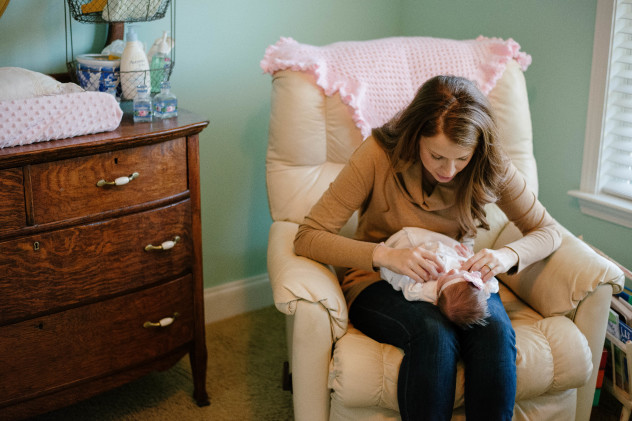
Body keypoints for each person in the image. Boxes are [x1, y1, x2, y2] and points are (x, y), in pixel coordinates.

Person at [294, 75, 561, 421]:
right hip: (378, 282)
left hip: (457, 278)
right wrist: (385, 256)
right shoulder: (377, 155)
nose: (449, 170)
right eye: (437, 156)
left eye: (461, 159)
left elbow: (548, 231)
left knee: (493, 331)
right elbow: (308, 235)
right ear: (415, 134)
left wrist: (506, 256)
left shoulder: (488, 161)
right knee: (433, 334)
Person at [380, 226, 498, 327]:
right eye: (460, 274)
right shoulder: (480, 286)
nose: (453, 270)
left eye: (449, 275)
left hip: (409, 254)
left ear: (436, 299)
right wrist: (469, 259)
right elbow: (493, 285)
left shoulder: (429, 290)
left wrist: (431, 287)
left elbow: (411, 292)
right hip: (447, 249)